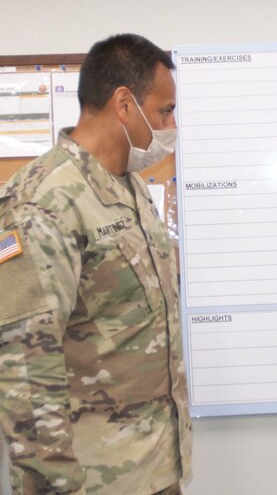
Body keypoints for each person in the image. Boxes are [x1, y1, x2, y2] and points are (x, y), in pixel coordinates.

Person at [0, 34, 191, 494]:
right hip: (89, 479)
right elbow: (25, 366)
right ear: (124, 104)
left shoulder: (130, 187)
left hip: (153, 467)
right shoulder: (42, 203)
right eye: (165, 111)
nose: (172, 125)